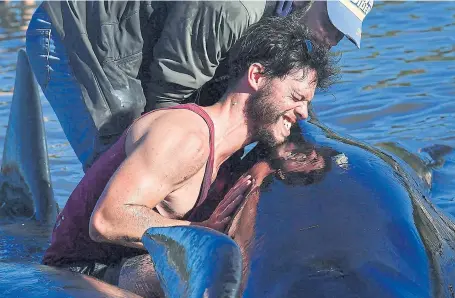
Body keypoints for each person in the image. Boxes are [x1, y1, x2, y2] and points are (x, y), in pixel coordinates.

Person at [41, 16, 339, 298]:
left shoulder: (231, 156)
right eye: (296, 97)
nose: (303, 113)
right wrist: (200, 232)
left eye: (307, 104)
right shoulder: (186, 136)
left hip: (126, 266)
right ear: (256, 76)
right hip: (74, 277)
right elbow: (107, 220)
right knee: (208, 268)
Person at [25, 0, 373, 171]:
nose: (332, 38)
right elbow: (169, 94)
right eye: (330, 21)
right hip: (76, 35)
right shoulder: (232, 8)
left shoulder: (284, 14)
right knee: (121, 160)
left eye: (344, 31)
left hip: (139, 41)